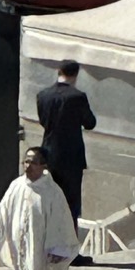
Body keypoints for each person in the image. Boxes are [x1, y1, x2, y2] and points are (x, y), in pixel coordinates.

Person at [0, 147, 81, 270]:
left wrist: (59, 249)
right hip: (20, 246)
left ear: (43, 166)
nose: (28, 166)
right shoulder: (16, 186)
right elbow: (3, 210)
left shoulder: (52, 191)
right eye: (26, 162)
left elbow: (61, 221)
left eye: (33, 163)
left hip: (42, 250)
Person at [36, 59, 97, 228]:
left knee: (49, 198)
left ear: (58, 72)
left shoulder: (43, 95)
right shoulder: (77, 97)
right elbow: (90, 123)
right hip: (71, 157)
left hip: (49, 153)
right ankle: (68, 240)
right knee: (70, 204)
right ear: (76, 75)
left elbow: (43, 121)